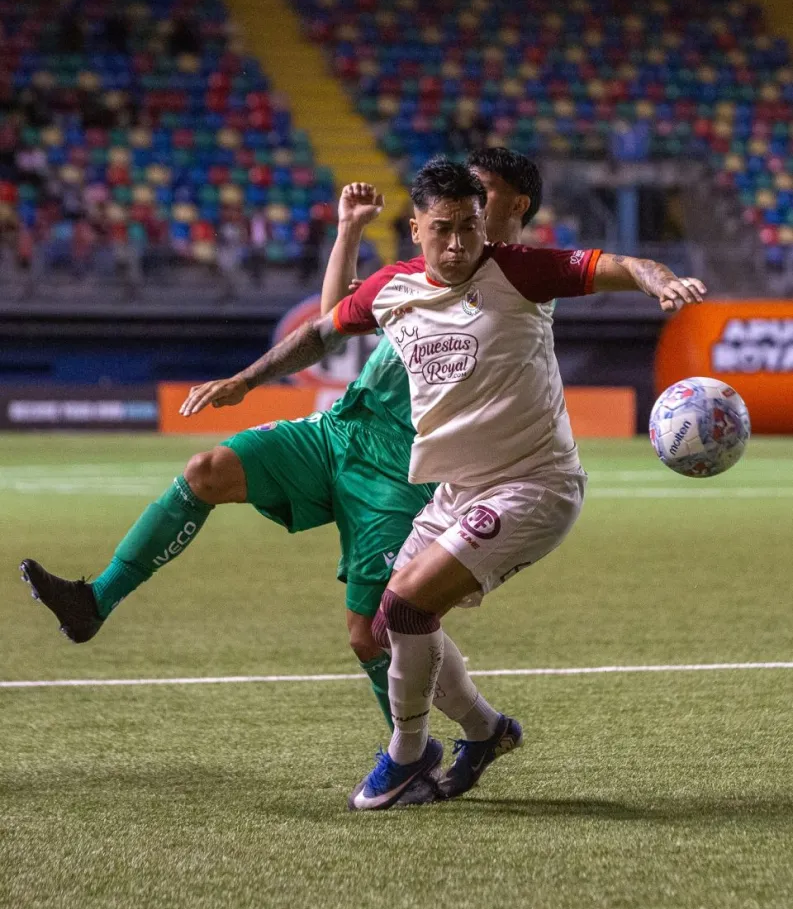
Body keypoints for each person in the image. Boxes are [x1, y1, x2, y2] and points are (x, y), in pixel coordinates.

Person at [174, 158, 707, 811]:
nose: (457, 245)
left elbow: (621, 264)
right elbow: (320, 329)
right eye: (442, 231)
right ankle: (484, 732)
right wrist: (245, 381)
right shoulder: (391, 288)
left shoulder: (518, 269)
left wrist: (662, 282)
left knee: (406, 608)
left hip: (533, 485)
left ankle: (408, 754)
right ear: (416, 230)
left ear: (486, 223)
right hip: (455, 489)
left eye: (468, 229)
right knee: (378, 629)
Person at [19, 153, 543, 746]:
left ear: (515, 206)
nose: (463, 204)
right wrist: (348, 231)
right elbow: (329, 324)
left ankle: (437, 743)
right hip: (342, 430)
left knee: (370, 633)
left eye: (481, 193)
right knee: (208, 470)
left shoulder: (519, 286)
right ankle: (95, 601)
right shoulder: (429, 271)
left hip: (405, 470)